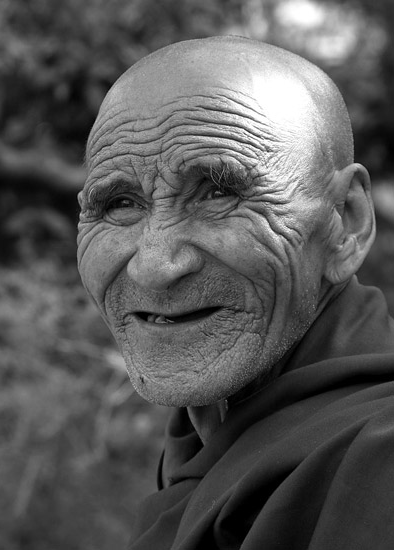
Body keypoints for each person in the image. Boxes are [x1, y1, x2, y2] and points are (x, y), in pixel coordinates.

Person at [77, 36, 394, 550]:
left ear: (347, 221)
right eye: (119, 203)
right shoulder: (209, 435)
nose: (155, 266)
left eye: (219, 193)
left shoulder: (377, 465)